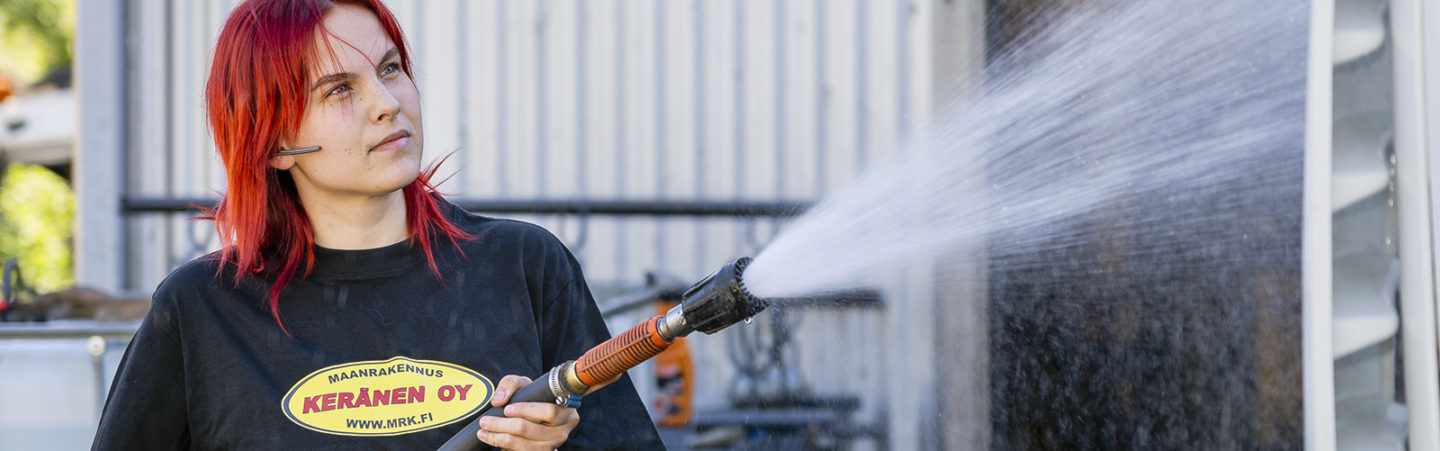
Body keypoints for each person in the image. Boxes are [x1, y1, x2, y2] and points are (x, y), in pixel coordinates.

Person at [92, 1, 663, 449]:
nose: (388, 102)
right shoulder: (202, 308)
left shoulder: (523, 264)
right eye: (340, 89)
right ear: (272, 145)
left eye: (390, 68)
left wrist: (553, 445)